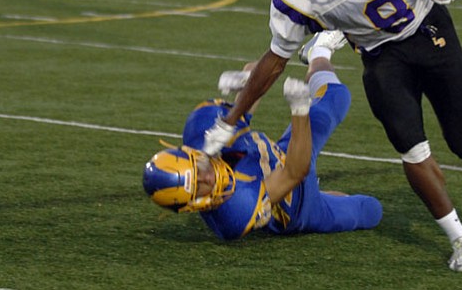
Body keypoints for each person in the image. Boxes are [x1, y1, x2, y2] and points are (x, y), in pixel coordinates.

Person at [202, 0, 462, 272]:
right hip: (381, 58)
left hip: (429, 30)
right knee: (412, 149)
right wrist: (229, 121)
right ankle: (461, 238)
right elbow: (274, 61)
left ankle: (328, 38)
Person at [143, 31, 383, 240]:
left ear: (191, 155)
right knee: (372, 210)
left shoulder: (201, 128)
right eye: (197, 188)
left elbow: (252, 87)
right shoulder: (235, 212)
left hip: (280, 153)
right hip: (299, 206)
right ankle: (325, 197)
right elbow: (295, 172)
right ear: (191, 205)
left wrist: (248, 79)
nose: (207, 178)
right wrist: (299, 110)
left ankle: (318, 51)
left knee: (338, 97)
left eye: (197, 172)